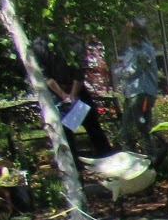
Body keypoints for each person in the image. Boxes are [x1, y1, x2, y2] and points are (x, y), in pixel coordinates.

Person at [30, 29, 113, 157]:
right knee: (69, 131)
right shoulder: (40, 44)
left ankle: (105, 157)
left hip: (70, 91)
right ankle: (76, 162)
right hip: (61, 92)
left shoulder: (71, 41)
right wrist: (67, 96)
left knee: (91, 125)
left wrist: (69, 96)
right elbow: (76, 73)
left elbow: (49, 76)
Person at [114, 20, 162, 156]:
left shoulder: (139, 48)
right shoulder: (144, 48)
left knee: (136, 127)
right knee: (136, 127)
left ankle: (150, 155)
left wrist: (118, 71)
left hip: (139, 93)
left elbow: (133, 70)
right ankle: (148, 154)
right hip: (139, 93)